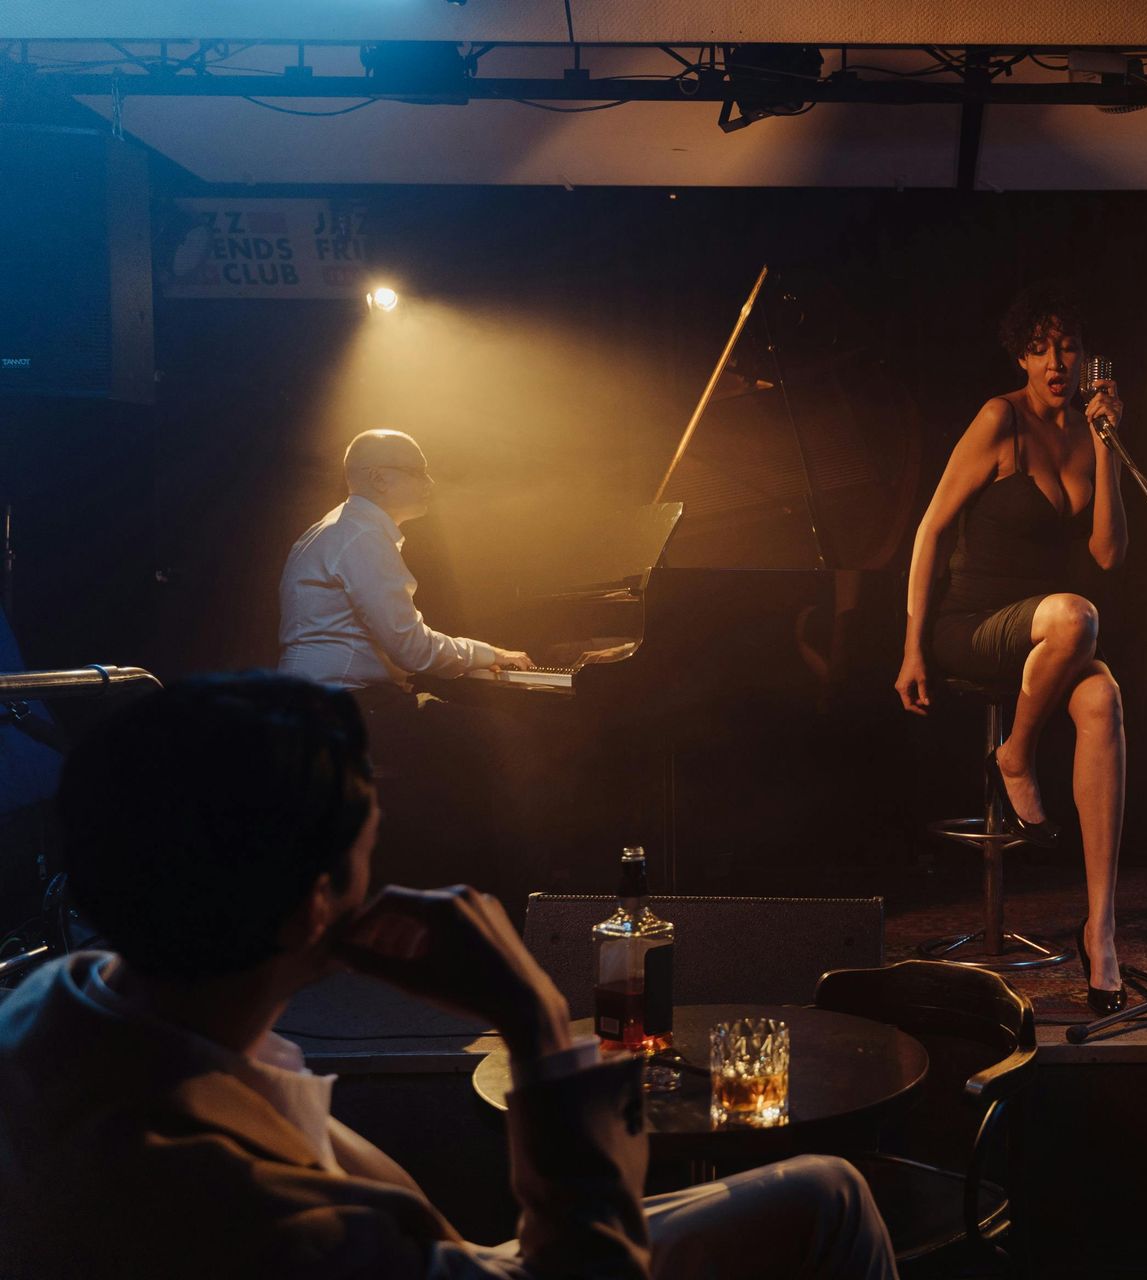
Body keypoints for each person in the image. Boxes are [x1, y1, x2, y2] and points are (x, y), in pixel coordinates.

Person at [0, 673, 899, 1279]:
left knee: (824, 1190)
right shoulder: (253, 1213)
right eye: (368, 845)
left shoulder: (57, 1001)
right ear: (317, 901)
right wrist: (536, 1021)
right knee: (834, 1201)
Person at [894, 283, 1130, 1014]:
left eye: (1067, 346)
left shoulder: (1089, 434)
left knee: (1103, 695)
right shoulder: (1001, 418)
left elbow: (1109, 551)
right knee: (1075, 615)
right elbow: (931, 528)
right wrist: (910, 648)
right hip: (972, 624)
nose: (1056, 360)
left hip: (1045, 634)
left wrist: (1109, 444)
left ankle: (1103, 930)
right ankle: (1017, 752)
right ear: (1021, 358)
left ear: (1085, 357)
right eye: (1039, 348)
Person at [279, 428, 532, 691]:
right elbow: (412, 650)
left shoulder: (338, 527)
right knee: (493, 728)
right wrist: (488, 654)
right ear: (378, 478)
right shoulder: (363, 537)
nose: (430, 483)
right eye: (418, 471)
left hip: (312, 700)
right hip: (346, 704)